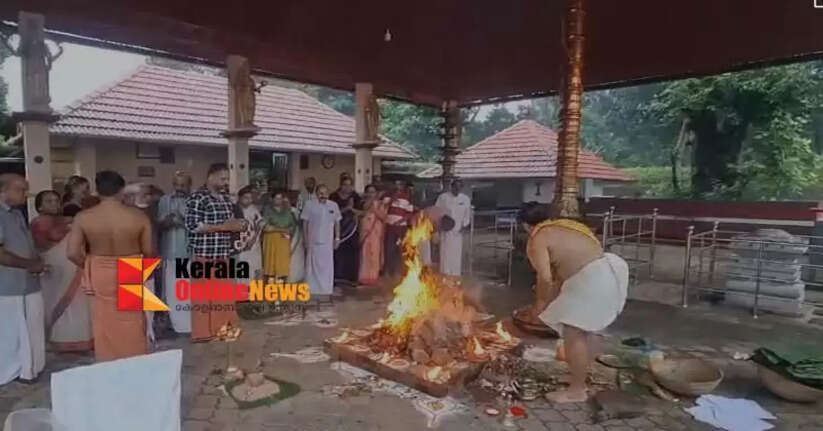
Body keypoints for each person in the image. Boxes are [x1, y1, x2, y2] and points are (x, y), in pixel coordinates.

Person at [515, 203, 628, 403]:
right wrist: (551, 301)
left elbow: (545, 278)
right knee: (589, 330)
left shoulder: (538, 238)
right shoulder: (568, 225)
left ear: (525, 225)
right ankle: (581, 374)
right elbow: (561, 276)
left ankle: (576, 390)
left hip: (591, 279)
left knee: (573, 332)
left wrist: (540, 306)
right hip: (610, 272)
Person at [66, 171, 154, 362]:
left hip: (100, 268)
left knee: (103, 318)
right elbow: (149, 251)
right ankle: (136, 361)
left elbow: (72, 253)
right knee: (133, 319)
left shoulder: (84, 217)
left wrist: (90, 264)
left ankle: (108, 363)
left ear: (97, 190)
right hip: (131, 266)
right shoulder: (138, 216)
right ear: (122, 190)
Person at [184, 163, 248, 342]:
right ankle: (202, 333)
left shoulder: (225, 199)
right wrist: (224, 227)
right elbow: (193, 226)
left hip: (223, 254)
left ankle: (222, 330)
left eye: (227, 179)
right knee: (203, 298)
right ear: (210, 177)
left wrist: (237, 225)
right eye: (222, 178)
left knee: (223, 297)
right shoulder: (198, 198)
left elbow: (230, 223)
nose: (225, 182)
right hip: (204, 255)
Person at [31, 190, 93, 353]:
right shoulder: (39, 222)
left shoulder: (63, 220)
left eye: (56, 201)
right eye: (49, 201)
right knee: (58, 302)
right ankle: (60, 341)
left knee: (78, 304)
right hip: (55, 269)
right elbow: (54, 235)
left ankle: (79, 341)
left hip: (72, 269)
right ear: (39, 206)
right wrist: (72, 224)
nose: (54, 204)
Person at [0, 174, 46, 385]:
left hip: (28, 283)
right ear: (4, 190)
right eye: (20, 190)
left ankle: (29, 369)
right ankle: (14, 372)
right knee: (13, 333)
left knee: (31, 328)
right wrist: (30, 264)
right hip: (10, 286)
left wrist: (36, 261)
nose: (25, 195)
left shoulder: (16, 214)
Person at [156, 172, 192, 334]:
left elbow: (197, 224)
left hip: (189, 252)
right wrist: (170, 221)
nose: (179, 189)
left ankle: (189, 325)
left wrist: (182, 220)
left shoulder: (195, 200)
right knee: (172, 290)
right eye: (177, 185)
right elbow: (161, 223)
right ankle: (177, 325)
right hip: (170, 252)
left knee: (188, 290)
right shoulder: (165, 200)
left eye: (183, 185)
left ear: (189, 185)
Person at [301, 184, 341, 297]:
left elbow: (337, 222)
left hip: (328, 242)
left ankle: (326, 289)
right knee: (312, 265)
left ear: (328, 194)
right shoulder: (309, 205)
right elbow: (305, 223)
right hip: (313, 240)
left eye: (325, 193)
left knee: (327, 266)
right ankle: (312, 289)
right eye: (320, 193)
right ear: (316, 194)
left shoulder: (333, 205)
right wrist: (305, 239)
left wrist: (337, 238)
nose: (323, 196)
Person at [435, 179, 472, 276]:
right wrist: (439, 227)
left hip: (458, 232)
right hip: (446, 231)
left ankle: (455, 275)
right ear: (451, 187)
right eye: (455, 187)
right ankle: (445, 274)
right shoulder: (443, 197)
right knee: (445, 254)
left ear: (461, 188)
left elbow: (467, 215)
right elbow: (437, 212)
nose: (457, 189)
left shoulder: (465, 199)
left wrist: (464, 226)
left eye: (459, 187)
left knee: (456, 254)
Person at [329, 176, 362, 286]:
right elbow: (331, 213)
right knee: (338, 252)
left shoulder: (355, 197)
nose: (347, 187)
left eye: (349, 185)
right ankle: (336, 277)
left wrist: (352, 209)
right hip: (338, 229)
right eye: (345, 184)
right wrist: (346, 208)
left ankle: (351, 279)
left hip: (352, 229)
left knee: (352, 253)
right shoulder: (333, 197)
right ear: (340, 185)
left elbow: (362, 212)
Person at [262, 191, 297, 282]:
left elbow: (292, 226)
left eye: (280, 198)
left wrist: (287, 231)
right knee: (271, 263)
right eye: (277, 198)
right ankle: (270, 285)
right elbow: (266, 227)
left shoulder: (287, 211)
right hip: (271, 240)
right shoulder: (267, 210)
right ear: (272, 199)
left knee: (282, 263)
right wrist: (281, 229)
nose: (279, 200)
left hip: (284, 240)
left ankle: (280, 284)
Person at [358, 185, 388, 285]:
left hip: (376, 232)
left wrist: (375, 209)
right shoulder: (362, 203)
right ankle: (363, 277)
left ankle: (373, 277)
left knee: (374, 254)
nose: (371, 194)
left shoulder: (381, 204)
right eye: (369, 192)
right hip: (366, 232)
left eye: (373, 192)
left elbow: (384, 217)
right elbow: (362, 213)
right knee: (365, 254)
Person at [384, 180, 415, 277]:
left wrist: (400, 221)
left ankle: (400, 271)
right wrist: (392, 199)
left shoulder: (407, 198)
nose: (398, 186)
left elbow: (409, 213)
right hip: (389, 227)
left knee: (400, 249)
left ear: (403, 186)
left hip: (401, 228)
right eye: (396, 184)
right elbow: (384, 207)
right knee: (389, 249)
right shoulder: (387, 196)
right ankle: (389, 271)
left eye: (400, 184)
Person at [236, 186, 264, 286]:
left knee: (254, 266)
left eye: (250, 198)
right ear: (239, 197)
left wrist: (253, 240)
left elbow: (259, 226)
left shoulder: (253, 210)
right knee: (242, 267)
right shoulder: (235, 210)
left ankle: (254, 292)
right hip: (239, 245)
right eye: (245, 198)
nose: (248, 200)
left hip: (253, 244)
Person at [285, 195, 305, 283]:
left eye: (286, 202)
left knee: (295, 258)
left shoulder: (295, 211)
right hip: (285, 236)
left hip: (296, 236)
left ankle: (294, 278)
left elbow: (300, 225)